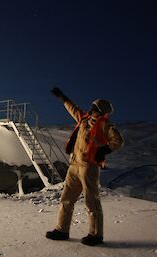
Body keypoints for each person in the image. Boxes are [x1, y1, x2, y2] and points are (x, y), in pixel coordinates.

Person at [46, 87, 124, 246]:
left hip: (89, 167)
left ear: (99, 109)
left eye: (94, 106)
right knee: (66, 199)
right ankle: (62, 230)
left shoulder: (105, 124)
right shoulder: (83, 118)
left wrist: (104, 150)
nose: (91, 107)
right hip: (74, 165)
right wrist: (63, 97)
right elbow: (73, 109)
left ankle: (96, 234)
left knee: (92, 201)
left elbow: (118, 141)